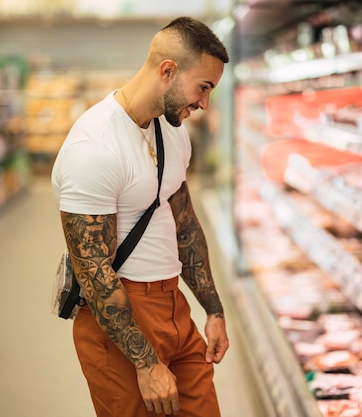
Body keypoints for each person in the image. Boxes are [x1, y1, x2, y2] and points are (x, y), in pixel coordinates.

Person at [51, 16, 230, 417]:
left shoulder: (173, 131)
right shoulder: (94, 147)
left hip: (174, 307)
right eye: (203, 87)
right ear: (168, 71)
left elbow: (184, 222)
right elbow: (93, 271)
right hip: (117, 320)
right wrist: (146, 363)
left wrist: (213, 309)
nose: (204, 103)